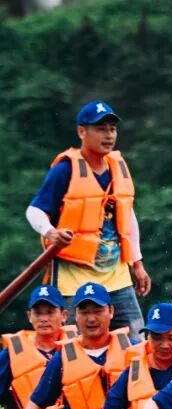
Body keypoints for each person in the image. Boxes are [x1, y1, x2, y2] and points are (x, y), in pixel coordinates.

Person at [24, 101, 149, 332]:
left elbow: (127, 216)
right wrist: (51, 232)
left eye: (112, 129)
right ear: (82, 132)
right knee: (72, 342)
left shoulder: (118, 167)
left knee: (134, 338)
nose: (109, 135)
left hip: (116, 275)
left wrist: (137, 262)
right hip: (73, 277)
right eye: (101, 129)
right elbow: (35, 210)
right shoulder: (66, 169)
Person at [19, 283, 132, 409]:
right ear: (75, 316)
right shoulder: (62, 358)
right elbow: (37, 403)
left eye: (97, 311)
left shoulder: (133, 351)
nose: (91, 319)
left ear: (111, 311)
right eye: (84, 312)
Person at [0, 285, 72, 409]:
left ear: (64, 316)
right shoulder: (13, 352)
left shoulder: (78, 346)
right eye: (38, 313)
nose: (44, 319)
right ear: (29, 316)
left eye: (50, 312)